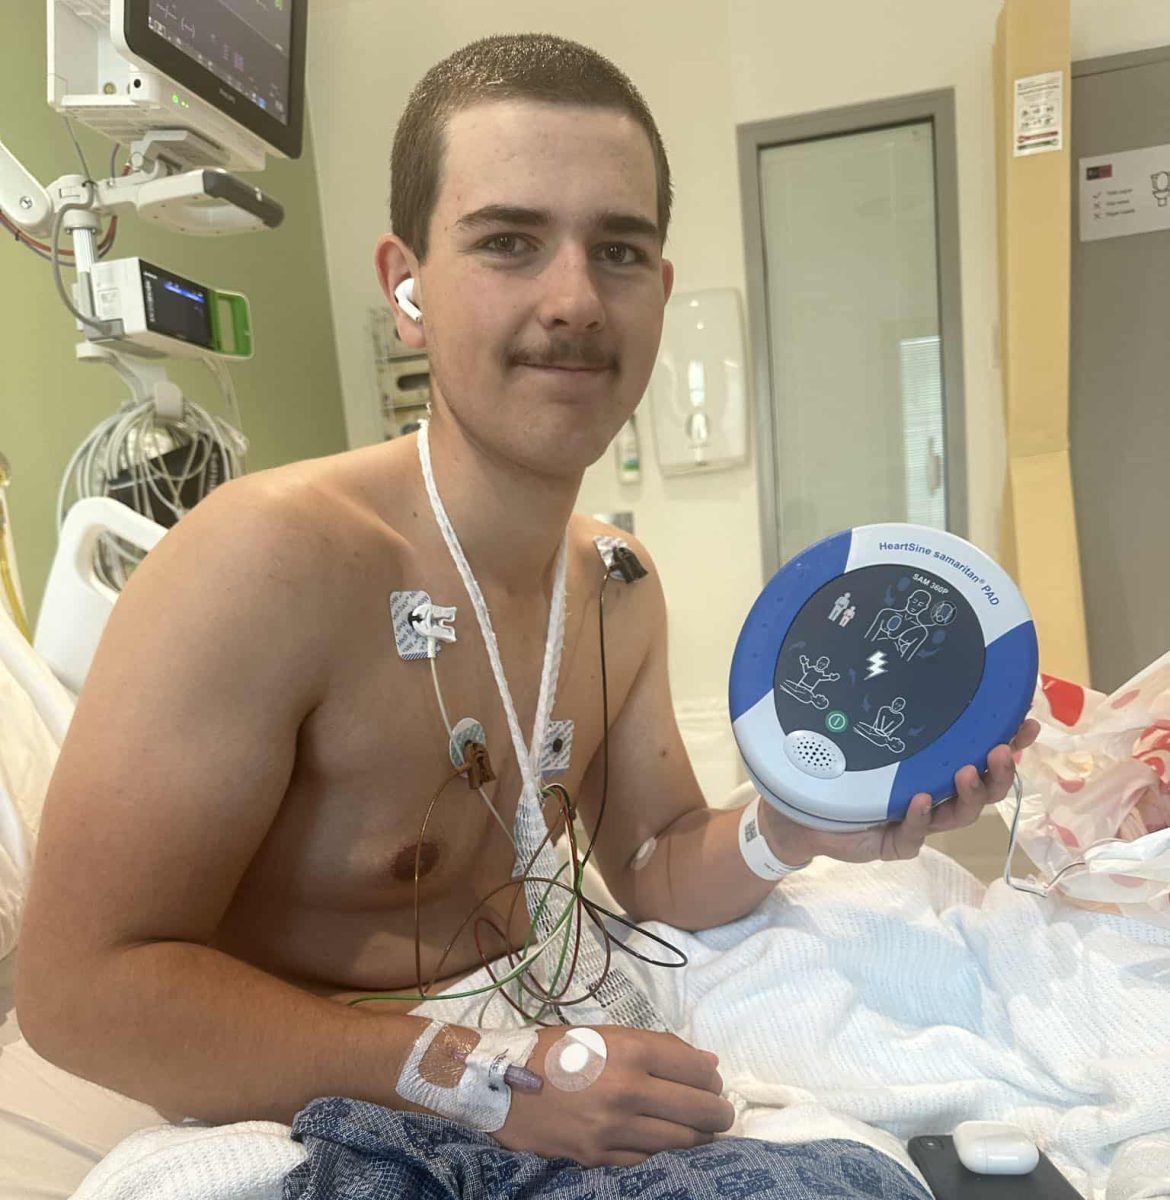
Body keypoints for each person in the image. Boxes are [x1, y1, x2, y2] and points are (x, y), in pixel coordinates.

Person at [16, 34, 1037, 1169]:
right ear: (407, 286)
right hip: (340, 1105)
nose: (575, 299)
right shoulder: (266, 563)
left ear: (657, 289)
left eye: (618, 251)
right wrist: (479, 1079)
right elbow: (76, 990)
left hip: (559, 1035)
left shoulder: (616, 587)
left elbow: (651, 863)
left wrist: (790, 826)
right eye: (509, 242)